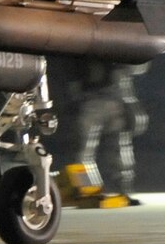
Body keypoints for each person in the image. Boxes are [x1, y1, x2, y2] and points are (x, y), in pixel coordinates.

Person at [53, 59, 150, 207]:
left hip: (107, 100)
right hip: (98, 100)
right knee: (90, 151)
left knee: (113, 149)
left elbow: (138, 67)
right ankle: (89, 189)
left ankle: (118, 189)